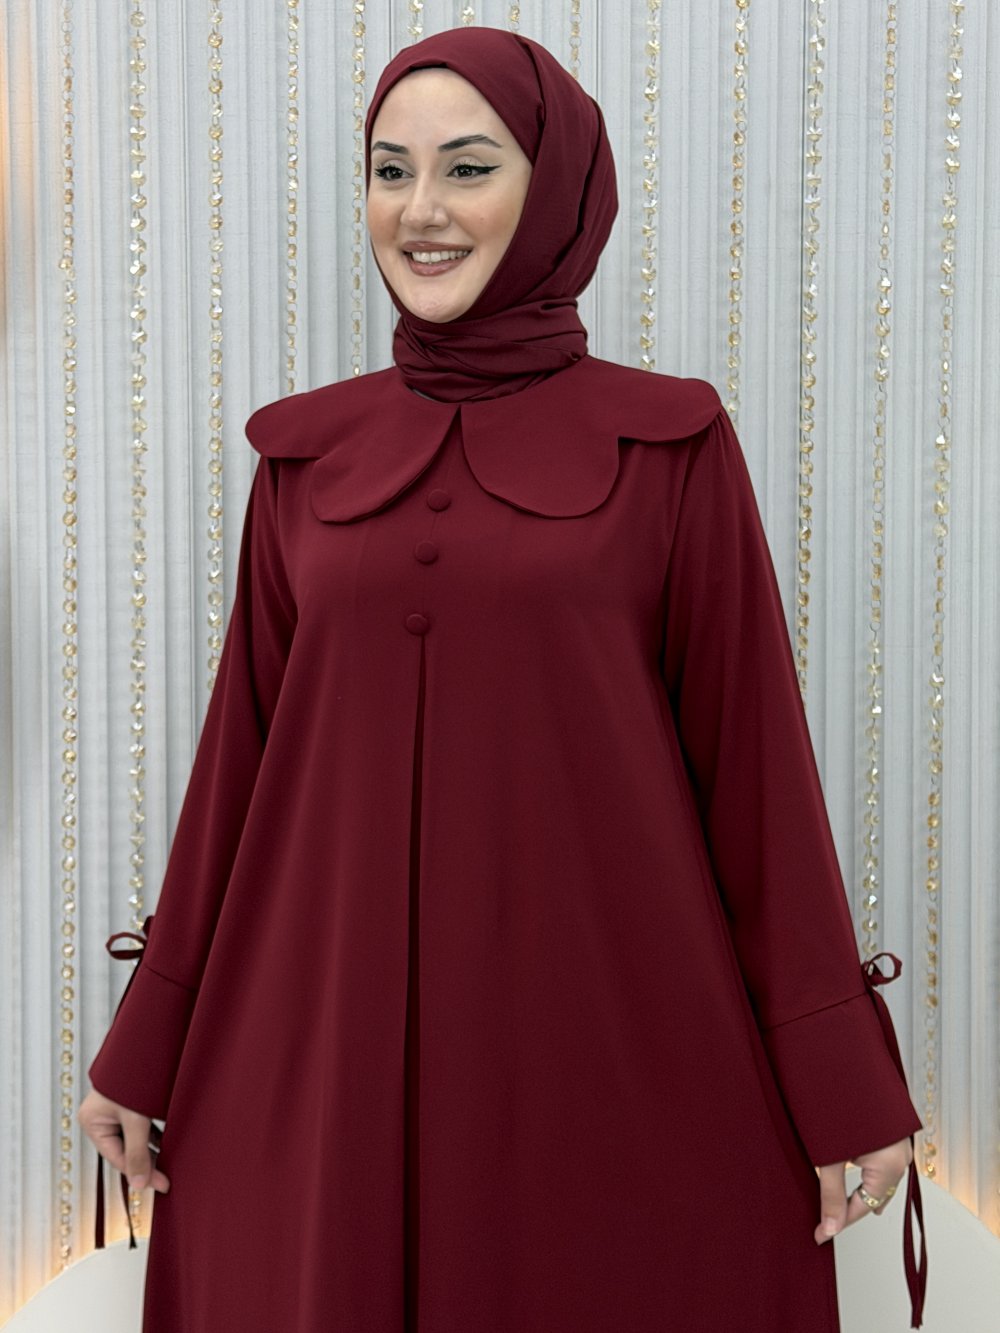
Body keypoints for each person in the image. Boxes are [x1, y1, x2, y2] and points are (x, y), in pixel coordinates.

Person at [79, 25, 926, 1332]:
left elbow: (758, 784)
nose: (420, 210)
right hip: (324, 1046)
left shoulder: (671, 448)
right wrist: (148, 1044)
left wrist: (841, 1080)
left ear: (556, 189)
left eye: (468, 168)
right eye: (391, 170)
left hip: (602, 1046)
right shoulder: (304, 463)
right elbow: (238, 777)